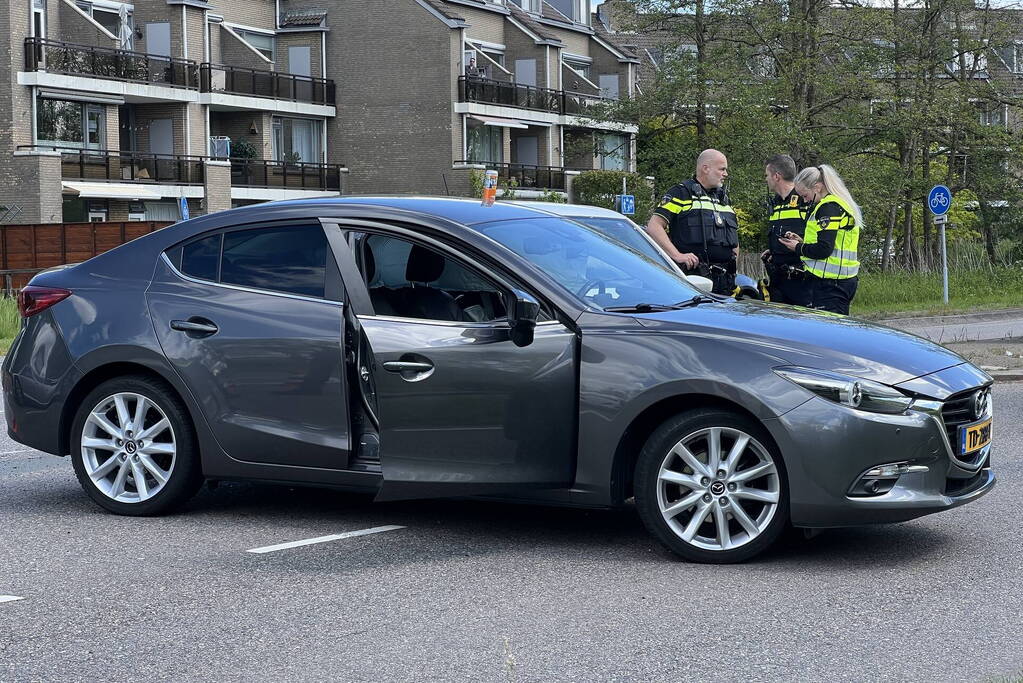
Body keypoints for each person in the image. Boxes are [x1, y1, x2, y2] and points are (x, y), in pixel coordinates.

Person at [644, 149, 739, 294]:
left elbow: (733, 239)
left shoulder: (723, 199)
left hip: (725, 282)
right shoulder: (681, 194)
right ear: (706, 168)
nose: (725, 174)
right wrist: (677, 256)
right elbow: (654, 226)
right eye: (722, 169)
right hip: (694, 280)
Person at [778, 164, 861, 315]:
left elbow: (824, 249)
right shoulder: (837, 204)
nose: (805, 200)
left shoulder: (828, 207)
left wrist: (797, 247)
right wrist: (802, 242)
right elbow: (831, 242)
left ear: (817, 187)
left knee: (829, 335)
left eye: (805, 195)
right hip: (839, 281)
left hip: (831, 284)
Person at [761, 154, 811, 306]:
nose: (766, 179)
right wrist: (773, 251)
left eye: (767, 175)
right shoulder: (775, 203)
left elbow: (816, 238)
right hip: (778, 280)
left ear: (777, 176)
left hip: (801, 282)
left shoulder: (805, 200)